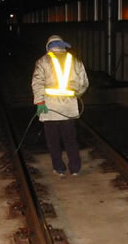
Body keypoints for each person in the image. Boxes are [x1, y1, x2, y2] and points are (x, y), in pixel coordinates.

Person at [31, 35, 89, 177]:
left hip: (49, 107)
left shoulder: (43, 61)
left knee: (53, 140)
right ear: (62, 46)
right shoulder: (75, 61)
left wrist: (39, 102)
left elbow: (37, 83)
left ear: (48, 47)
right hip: (68, 107)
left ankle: (59, 168)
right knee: (70, 138)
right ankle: (75, 168)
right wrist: (75, 95)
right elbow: (84, 83)